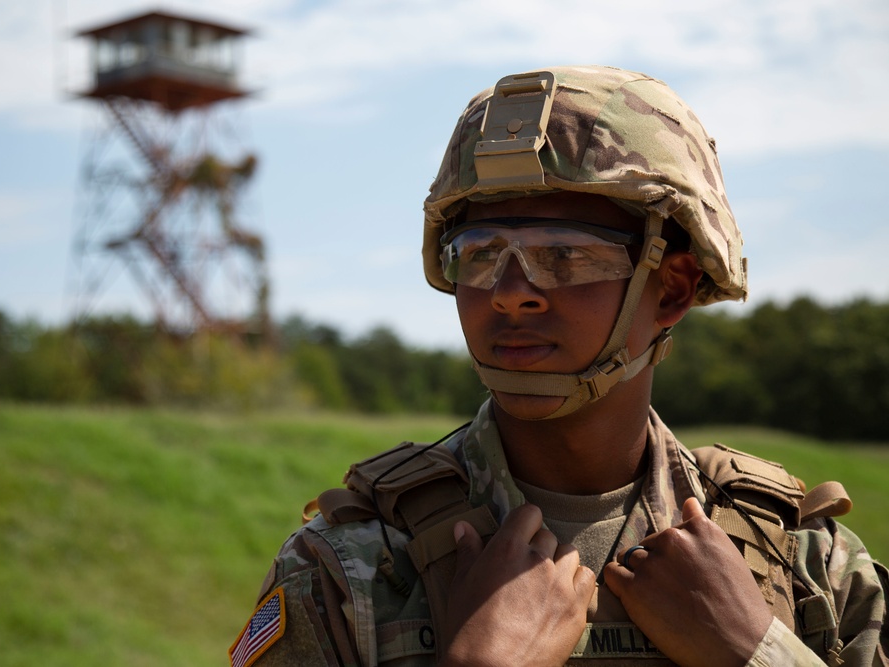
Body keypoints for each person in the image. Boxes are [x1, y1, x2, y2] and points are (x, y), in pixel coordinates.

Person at [231, 65, 888, 667]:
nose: (511, 290)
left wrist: (760, 652)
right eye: (481, 252)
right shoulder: (352, 566)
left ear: (675, 288)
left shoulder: (805, 563)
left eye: (565, 255)